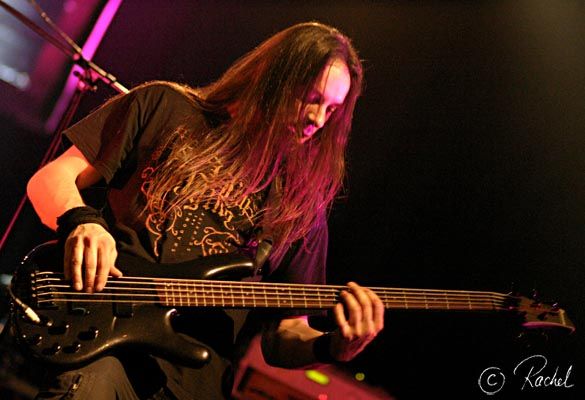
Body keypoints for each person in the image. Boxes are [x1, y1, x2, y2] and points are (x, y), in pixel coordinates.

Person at [26, 21, 385, 399]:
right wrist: (82, 222)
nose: (317, 119)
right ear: (275, 78)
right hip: (101, 350)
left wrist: (332, 346)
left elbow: (284, 333)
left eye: (331, 109)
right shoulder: (164, 106)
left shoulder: (300, 204)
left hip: (192, 385)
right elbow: (51, 178)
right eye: (311, 98)